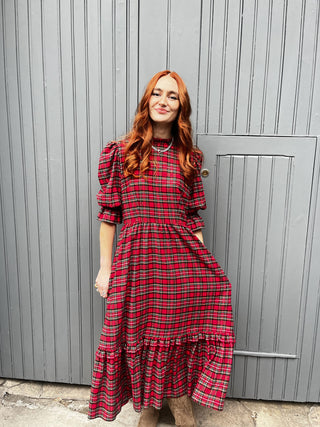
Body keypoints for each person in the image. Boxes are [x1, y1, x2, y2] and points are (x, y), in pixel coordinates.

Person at [88, 70, 235, 427]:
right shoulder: (120, 152)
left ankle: (175, 406)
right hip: (136, 262)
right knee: (140, 332)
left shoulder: (189, 158)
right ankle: (152, 406)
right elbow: (109, 215)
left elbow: (192, 219)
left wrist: (202, 269)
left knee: (170, 335)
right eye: (157, 93)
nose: (163, 101)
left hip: (179, 265)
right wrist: (105, 268)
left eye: (172, 96)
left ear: (180, 106)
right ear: (146, 101)